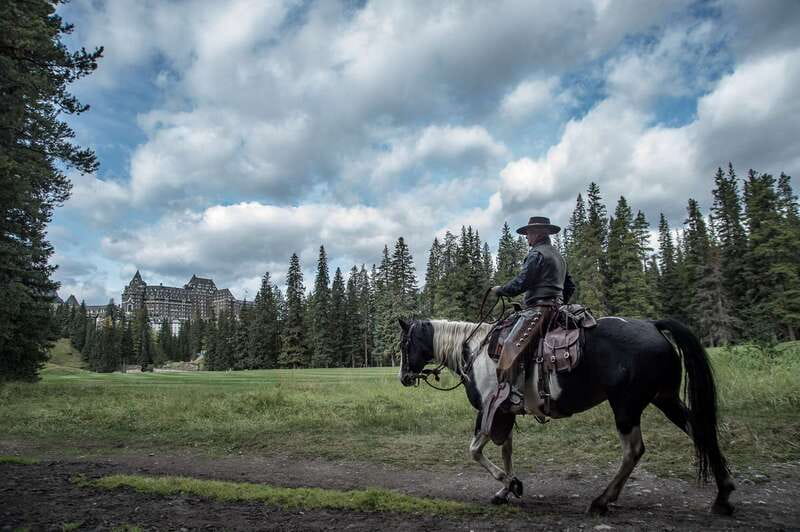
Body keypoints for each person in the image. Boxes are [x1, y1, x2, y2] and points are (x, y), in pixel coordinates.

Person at [482, 216, 575, 432]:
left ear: (541, 233)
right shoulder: (559, 257)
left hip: (538, 311)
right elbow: (570, 286)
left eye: (529, 234)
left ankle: (513, 395)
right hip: (556, 308)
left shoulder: (537, 254)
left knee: (509, 347)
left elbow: (522, 282)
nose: (527, 238)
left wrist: (501, 290)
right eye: (526, 234)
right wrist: (559, 302)